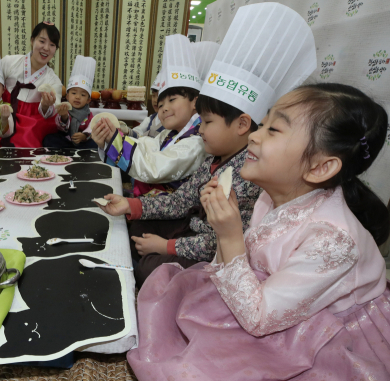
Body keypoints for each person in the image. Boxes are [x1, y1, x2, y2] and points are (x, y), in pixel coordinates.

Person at [130, 81, 390, 380]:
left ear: (320, 168)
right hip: (270, 297)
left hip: (318, 327)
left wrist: (229, 235)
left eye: (273, 130)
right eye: (263, 123)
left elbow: (259, 319)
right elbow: (244, 261)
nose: (254, 135)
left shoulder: (333, 239)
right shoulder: (269, 196)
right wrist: (224, 230)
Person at [97, 3, 317, 286]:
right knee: (139, 226)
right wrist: (130, 204)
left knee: (153, 267)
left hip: (214, 251)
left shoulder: (249, 175)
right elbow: (181, 200)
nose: (199, 129)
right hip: (193, 229)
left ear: (241, 124)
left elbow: (223, 241)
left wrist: (166, 247)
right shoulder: (215, 158)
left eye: (208, 122)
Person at [93, 36, 218, 197]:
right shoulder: (170, 133)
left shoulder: (197, 140)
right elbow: (146, 145)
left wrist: (115, 142)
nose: (164, 109)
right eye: (160, 105)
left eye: (172, 100)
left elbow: (155, 168)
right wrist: (109, 140)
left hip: (169, 215)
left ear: (195, 101)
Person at [0, 22, 63, 148]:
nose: (46, 48)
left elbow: (55, 108)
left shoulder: (53, 81)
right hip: (1, 121)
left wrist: (45, 105)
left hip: (31, 132)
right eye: (42, 41)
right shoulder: (9, 62)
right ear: (32, 40)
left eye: (52, 44)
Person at [43, 55, 97, 149]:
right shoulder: (64, 107)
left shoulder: (88, 115)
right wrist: (64, 116)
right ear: (67, 96)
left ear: (88, 100)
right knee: (49, 139)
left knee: (96, 143)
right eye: (74, 93)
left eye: (83, 95)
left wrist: (84, 136)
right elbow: (61, 129)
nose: (77, 97)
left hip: (82, 143)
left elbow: (91, 128)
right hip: (66, 140)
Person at [119, 71, 163, 139]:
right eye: (153, 95)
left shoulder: (170, 123)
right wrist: (126, 130)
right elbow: (139, 131)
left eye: (159, 96)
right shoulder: (151, 118)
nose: (155, 100)